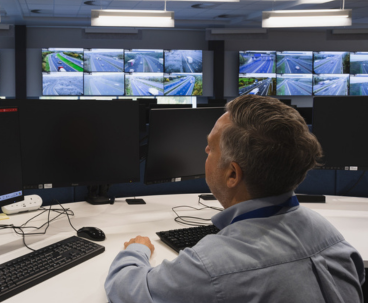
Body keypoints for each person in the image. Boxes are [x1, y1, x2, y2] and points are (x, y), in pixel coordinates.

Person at [105, 95, 365, 303]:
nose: (205, 151)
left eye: (211, 147)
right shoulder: (330, 235)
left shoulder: (211, 266)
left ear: (232, 174)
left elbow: (126, 288)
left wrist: (136, 250)